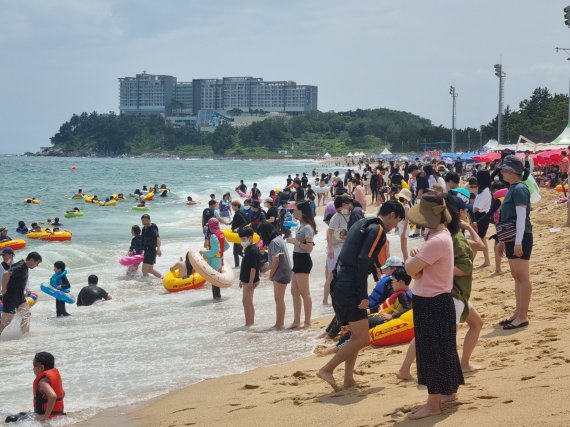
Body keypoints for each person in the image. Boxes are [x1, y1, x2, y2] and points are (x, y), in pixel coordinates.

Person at [317, 200, 404, 391]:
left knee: (355, 336)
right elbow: (363, 259)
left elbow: (356, 256)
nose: (394, 227)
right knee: (363, 338)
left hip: (339, 283)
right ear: (392, 216)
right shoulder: (378, 229)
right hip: (350, 287)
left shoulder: (363, 223)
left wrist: (375, 274)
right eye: (396, 222)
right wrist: (363, 294)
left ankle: (348, 380)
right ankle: (327, 369)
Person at [403, 192, 464, 420]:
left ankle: (433, 404)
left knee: (432, 353)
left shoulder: (437, 239)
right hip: (437, 299)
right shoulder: (440, 234)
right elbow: (416, 267)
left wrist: (415, 261)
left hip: (432, 301)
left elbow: (410, 270)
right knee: (444, 349)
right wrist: (417, 261)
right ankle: (448, 393)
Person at [497, 155, 533, 330]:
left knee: (522, 277)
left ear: (513, 171)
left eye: (504, 169)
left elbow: (520, 219)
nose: (502, 172)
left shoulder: (519, 189)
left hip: (521, 237)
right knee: (516, 277)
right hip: (513, 238)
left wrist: (518, 242)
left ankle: (523, 316)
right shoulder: (513, 188)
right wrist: (503, 241)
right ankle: (517, 313)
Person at [286, 201, 317, 329]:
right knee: (294, 292)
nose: (294, 212)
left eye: (296, 210)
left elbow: (309, 248)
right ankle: (296, 321)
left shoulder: (307, 227)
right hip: (297, 259)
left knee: (305, 293)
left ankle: (308, 321)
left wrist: (295, 242)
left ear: (302, 212)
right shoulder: (301, 225)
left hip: (303, 260)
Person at [0, 252, 42, 337]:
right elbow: (6, 274)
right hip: (10, 298)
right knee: (6, 322)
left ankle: (24, 336)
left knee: (26, 314)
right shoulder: (20, 267)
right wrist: (4, 289)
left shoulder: (24, 266)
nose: (37, 266)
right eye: (37, 263)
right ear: (31, 260)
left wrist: (26, 289)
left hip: (20, 297)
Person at [258, 223, 291, 330]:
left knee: (279, 299)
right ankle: (278, 322)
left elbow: (276, 261)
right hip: (285, 270)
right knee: (279, 299)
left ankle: (280, 324)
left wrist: (271, 275)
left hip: (281, 272)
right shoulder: (279, 239)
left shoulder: (273, 242)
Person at [324, 195, 351, 305]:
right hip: (335, 249)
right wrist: (330, 248)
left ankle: (338, 299)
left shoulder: (349, 214)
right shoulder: (336, 217)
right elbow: (329, 233)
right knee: (331, 275)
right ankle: (325, 300)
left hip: (343, 247)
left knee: (339, 275)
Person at [201, 218, 230, 300]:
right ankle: (217, 299)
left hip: (214, 261)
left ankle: (217, 299)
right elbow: (227, 246)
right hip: (220, 260)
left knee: (214, 281)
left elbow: (215, 250)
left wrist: (204, 253)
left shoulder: (213, 236)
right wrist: (220, 252)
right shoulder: (221, 233)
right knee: (216, 280)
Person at [33, 352, 65, 421]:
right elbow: (63, 393)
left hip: (47, 417)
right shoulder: (52, 378)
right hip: (58, 415)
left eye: (34, 365)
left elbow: (53, 396)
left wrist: (45, 417)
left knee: (10, 419)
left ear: (41, 367)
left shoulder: (43, 382)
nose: (33, 368)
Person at [238, 227, 260, 326]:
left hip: (250, 280)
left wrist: (250, 282)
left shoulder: (253, 250)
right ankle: (251, 322)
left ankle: (248, 324)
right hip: (246, 279)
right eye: (241, 239)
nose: (242, 241)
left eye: (243, 239)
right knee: (248, 302)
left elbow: (253, 268)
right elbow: (244, 266)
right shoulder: (248, 249)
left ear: (250, 238)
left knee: (246, 302)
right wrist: (241, 280)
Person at [472, 170, 492, 268]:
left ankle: (470, 262)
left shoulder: (486, 191)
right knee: (482, 239)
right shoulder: (483, 190)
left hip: (482, 217)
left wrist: (469, 212)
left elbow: (478, 207)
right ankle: (487, 261)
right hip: (480, 216)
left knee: (477, 240)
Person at [140, 214, 162, 278]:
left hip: (151, 251)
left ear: (149, 220)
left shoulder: (152, 229)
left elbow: (158, 238)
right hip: (147, 251)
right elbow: (142, 240)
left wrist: (158, 249)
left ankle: (147, 285)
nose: (144, 222)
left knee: (144, 270)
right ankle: (163, 278)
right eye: (143, 221)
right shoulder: (144, 229)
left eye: (146, 220)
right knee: (150, 270)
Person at [231, 200, 248, 268]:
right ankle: (247, 260)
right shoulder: (242, 212)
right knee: (239, 251)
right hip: (243, 234)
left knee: (236, 252)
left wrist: (238, 228)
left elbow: (245, 222)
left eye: (232, 206)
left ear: (236, 206)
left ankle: (237, 266)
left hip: (238, 235)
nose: (232, 207)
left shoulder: (238, 214)